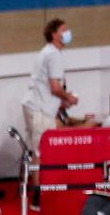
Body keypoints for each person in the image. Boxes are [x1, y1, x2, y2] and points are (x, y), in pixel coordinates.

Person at [25, 19, 76, 153]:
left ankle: (35, 175)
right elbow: (55, 87)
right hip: (41, 110)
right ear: (54, 35)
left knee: (38, 155)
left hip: (35, 106)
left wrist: (60, 102)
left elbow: (45, 86)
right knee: (44, 154)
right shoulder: (54, 54)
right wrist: (69, 98)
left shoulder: (47, 52)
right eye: (63, 30)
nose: (68, 32)